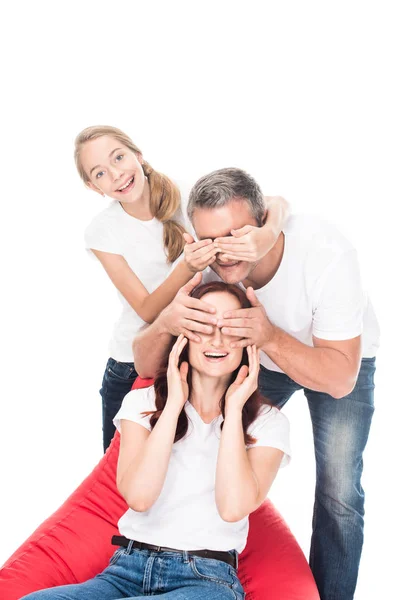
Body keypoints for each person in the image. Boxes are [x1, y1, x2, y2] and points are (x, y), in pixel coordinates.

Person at [132, 168, 380, 600]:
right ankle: (194, 569)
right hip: (255, 347)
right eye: (211, 240)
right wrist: (167, 321)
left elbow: (340, 379)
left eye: (236, 236)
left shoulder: (327, 255)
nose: (224, 253)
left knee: (339, 492)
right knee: (208, 444)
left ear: (264, 225)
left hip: (333, 356)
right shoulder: (207, 267)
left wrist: (269, 337)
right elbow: (146, 361)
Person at [20, 282, 291, 600]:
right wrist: (174, 404)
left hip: (205, 582)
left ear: (248, 341)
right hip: (125, 571)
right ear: (183, 337)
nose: (217, 339)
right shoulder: (142, 403)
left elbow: (232, 507)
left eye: (230, 328)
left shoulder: (269, 422)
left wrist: (233, 411)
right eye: (202, 325)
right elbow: (139, 498)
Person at [75, 126, 289, 451]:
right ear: (94, 186)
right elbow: (146, 310)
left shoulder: (188, 192)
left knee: (200, 460)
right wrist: (187, 267)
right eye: (101, 172)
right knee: (122, 471)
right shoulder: (102, 232)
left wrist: (268, 233)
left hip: (202, 350)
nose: (116, 174)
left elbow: (275, 202)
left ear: (138, 155)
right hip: (137, 362)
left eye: (118, 157)